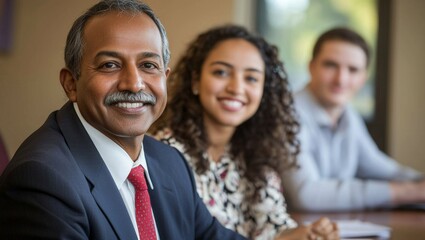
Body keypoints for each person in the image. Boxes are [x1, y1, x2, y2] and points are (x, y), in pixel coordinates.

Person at [0, 1, 247, 239]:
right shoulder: (43, 179)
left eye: (148, 65)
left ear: (165, 78)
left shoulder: (170, 162)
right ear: (71, 83)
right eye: (110, 65)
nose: (134, 83)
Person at [150, 25, 339, 240]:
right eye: (221, 72)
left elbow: (274, 226)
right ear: (195, 81)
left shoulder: (255, 150)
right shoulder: (167, 154)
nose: (236, 88)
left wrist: (307, 233)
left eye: (251, 78)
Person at [282, 27, 425, 212]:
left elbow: (385, 170)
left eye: (353, 70)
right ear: (311, 67)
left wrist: (422, 183)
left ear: (363, 78)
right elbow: (307, 195)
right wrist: (410, 192)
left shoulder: (348, 115)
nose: (341, 79)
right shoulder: (286, 114)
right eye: (330, 65)